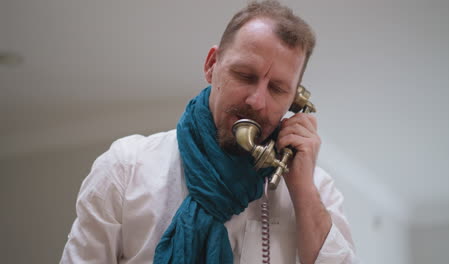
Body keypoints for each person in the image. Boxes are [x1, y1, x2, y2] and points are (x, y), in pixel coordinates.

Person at [60, 1, 357, 263]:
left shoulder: (316, 188)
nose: (256, 101)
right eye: (244, 75)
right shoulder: (125, 167)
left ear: (294, 102)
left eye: (278, 89)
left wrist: (303, 191)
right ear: (211, 65)